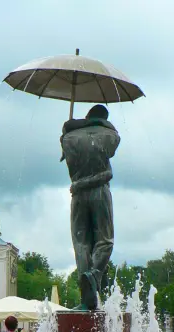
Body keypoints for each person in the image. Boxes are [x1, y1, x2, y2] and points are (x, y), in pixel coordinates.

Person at [60, 104, 120, 311]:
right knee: (105, 240)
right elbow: (110, 149)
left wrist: (66, 131)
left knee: (81, 243)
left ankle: (88, 297)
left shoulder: (68, 138)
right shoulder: (109, 134)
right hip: (100, 191)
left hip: (77, 194)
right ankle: (94, 275)